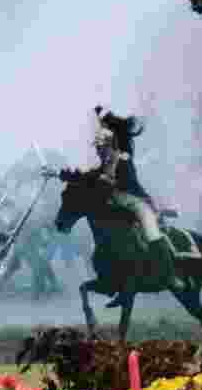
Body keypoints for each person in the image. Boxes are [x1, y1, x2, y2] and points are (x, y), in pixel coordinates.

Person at [57, 106, 184, 305]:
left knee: (152, 233)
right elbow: (88, 177)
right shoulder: (103, 164)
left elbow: (119, 182)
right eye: (97, 148)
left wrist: (103, 181)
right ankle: (115, 279)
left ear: (109, 146)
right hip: (117, 204)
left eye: (101, 148)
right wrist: (61, 174)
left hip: (136, 202)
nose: (98, 151)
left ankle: (170, 276)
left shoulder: (123, 159)